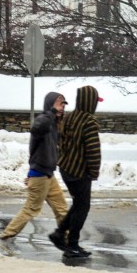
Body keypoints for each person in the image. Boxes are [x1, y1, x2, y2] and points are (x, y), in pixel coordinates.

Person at [0, 91, 69, 255]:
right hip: (40, 174)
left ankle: (69, 241)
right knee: (31, 208)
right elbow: (37, 128)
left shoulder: (54, 124)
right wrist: (52, 112)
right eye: (59, 102)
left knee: (61, 208)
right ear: (50, 104)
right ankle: (6, 238)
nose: (62, 106)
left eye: (63, 103)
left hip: (48, 174)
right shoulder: (43, 120)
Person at [51, 85, 102, 258]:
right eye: (96, 101)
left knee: (78, 203)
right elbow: (93, 150)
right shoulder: (89, 121)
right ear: (91, 102)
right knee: (83, 206)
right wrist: (94, 172)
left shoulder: (69, 117)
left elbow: (61, 140)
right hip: (79, 171)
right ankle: (72, 245)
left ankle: (59, 234)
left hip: (66, 167)